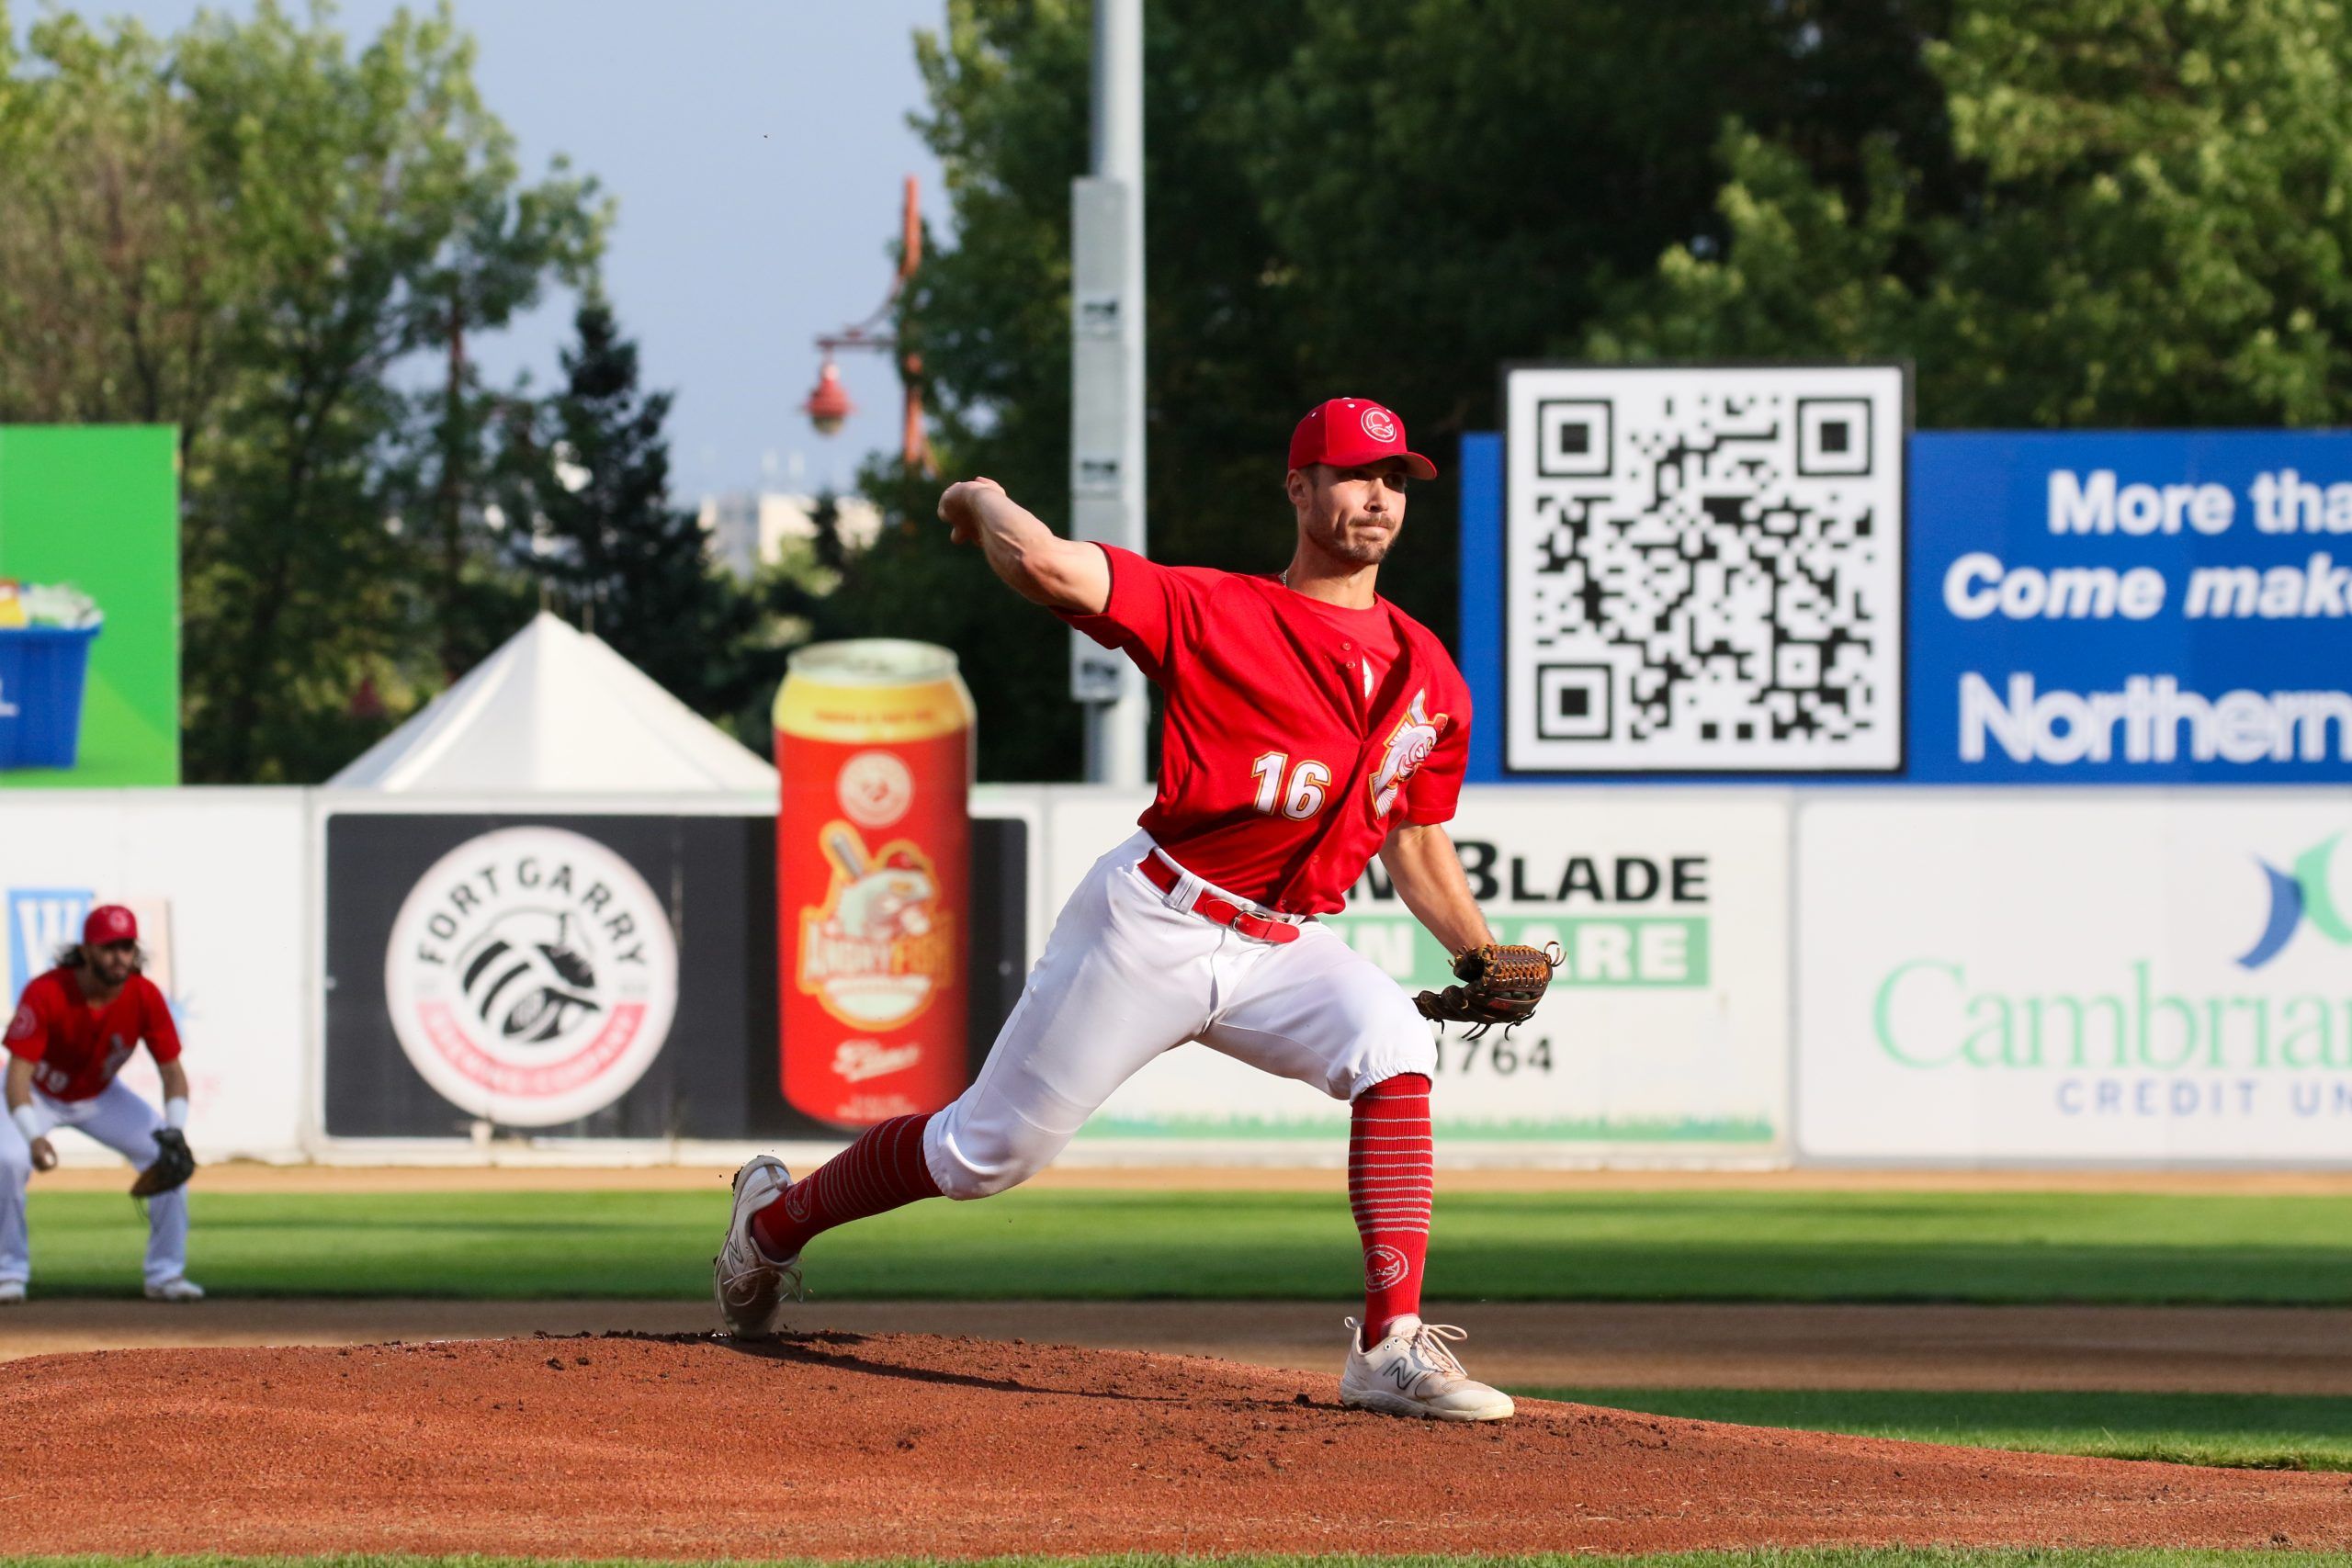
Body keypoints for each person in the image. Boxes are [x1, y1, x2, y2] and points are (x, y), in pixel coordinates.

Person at [718, 398, 1532, 1420]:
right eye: (1354, 473)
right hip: (1154, 919)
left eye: (1395, 480)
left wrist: (1477, 952)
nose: (1377, 495)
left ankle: (1388, 1347)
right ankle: (771, 1224)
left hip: (1282, 947)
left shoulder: (1430, 677)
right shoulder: (1219, 610)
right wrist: (983, 498)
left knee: (1392, 1043)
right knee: (986, 1154)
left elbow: (1412, 839)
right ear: (1298, 487)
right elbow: (1056, 569)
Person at [1, 905, 203, 1303]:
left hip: (99, 1095)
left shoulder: (144, 995)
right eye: (109, 947)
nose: (119, 956)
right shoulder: (47, 991)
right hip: (38, 1093)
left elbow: (173, 1073)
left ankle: (165, 1275)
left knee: (171, 1160)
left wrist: (175, 1131)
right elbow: (17, 1076)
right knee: (8, 1160)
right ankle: (8, 1273)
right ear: (87, 950)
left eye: (126, 946)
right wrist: (32, 1137)